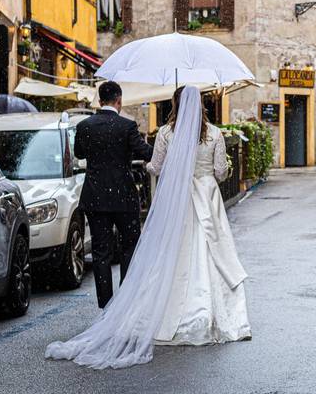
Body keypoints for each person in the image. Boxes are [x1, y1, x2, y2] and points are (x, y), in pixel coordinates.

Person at [46, 86, 251, 369]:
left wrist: (170, 168)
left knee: (158, 252)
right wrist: (220, 168)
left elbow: (154, 166)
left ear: (174, 104)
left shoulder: (165, 133)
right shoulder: (214, 134)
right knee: (206, 251)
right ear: (202, 105)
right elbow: (220, 172)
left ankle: (121, 307)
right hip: (204, 197)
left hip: (155, 200)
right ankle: (206, 311)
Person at [74, 81, 153, 309]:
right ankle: (125, 303)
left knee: (101, 252)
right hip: (123, 196)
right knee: (129, 246)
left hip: (95, 196)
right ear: (119, 100)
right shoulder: (127, 126)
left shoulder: (85, 126)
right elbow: (144, 152)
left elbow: (79, 152)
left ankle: (106, 305)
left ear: (100, 101)